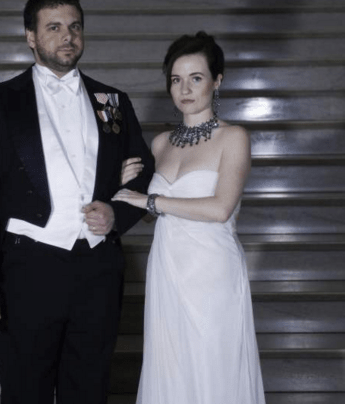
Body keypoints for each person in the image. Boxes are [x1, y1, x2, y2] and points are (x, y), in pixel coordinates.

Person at [0, 0, 154, 404]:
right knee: (24, 392)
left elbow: (144, 171)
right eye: (54, 27)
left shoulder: (113, 101)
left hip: (98, 270)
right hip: (27, 269)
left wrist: (117, 212)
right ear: (31, 36)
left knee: (89, 390)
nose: (68, 36)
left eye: (75, 27)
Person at [113, 31, 266, 404]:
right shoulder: (160, 143)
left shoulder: (234, 137)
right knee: (172, 370)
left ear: (217, 81)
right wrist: (125, 185)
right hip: (167, 268)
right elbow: (151, 215)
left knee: (213, 366)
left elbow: (220, 209)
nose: (184, 89)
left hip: (212, 271)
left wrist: (151, 200)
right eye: (176, 79)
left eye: (196, 78)